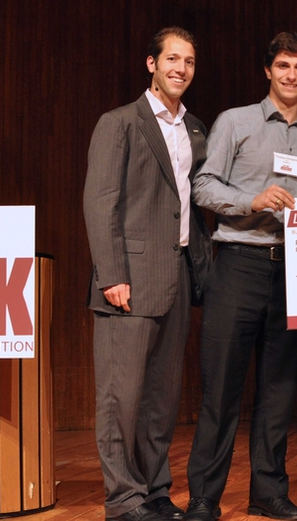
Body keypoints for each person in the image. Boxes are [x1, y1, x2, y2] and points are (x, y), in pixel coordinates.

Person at [185, 32, 297, 521]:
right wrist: (251, 200)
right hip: (239, 264)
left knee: (279, 391)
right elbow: (202, 186)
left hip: (294, 270)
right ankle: (206, 497)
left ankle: (268, 493)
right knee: (221, 389)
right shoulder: (236, 121)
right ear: (267, 70)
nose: (291, 75)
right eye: (283, 65)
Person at [84, 26, 212, 521]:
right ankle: (124, 498)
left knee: (161, 398)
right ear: (151, 64)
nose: (181, 69)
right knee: (121, 397)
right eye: (172, 59)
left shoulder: (195, 128)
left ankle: (156, 489)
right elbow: (100, 203)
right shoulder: (119, 123)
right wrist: (112, 274)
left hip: (177, 276)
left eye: (189, 62)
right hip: (128, 281)